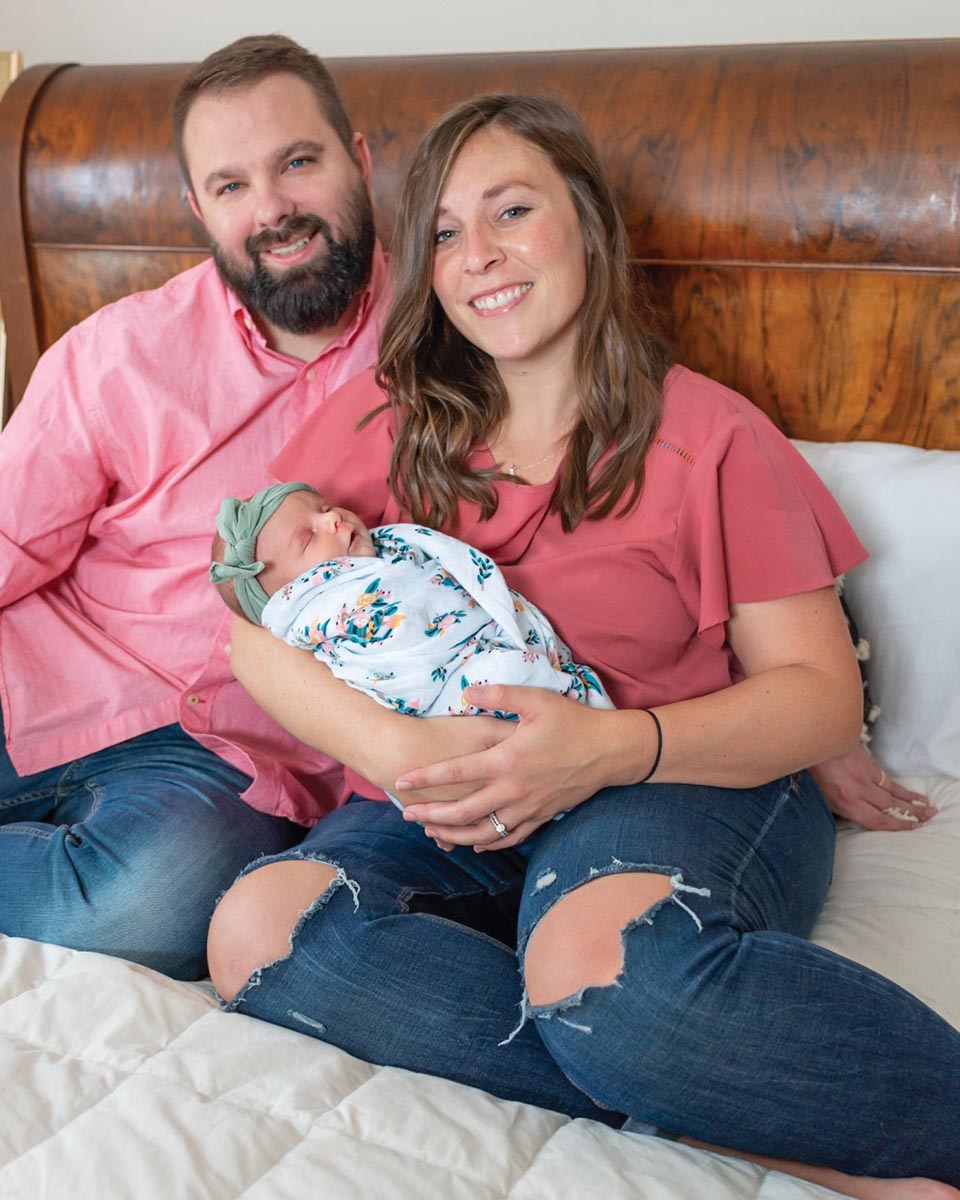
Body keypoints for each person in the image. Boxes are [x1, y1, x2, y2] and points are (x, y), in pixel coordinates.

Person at [208, 94, 960, 1196]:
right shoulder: (389, 419)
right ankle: (715, 1127)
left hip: (684, 766)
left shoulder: (710, 434)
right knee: (258, 928)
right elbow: (247, 623)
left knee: (599, 974)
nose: (482, 257)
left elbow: (818, 701)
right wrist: (391, 753)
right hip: (456, 789)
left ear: (589, 227)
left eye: (513, 210)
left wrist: (607, 750)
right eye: (450, 233)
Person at [0, 34, 391, 978]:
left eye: (299, 161)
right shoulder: (118, 354)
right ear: (198, 210)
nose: (273, 211)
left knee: (150, 905)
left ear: (361, 161)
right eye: (231, 186)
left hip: (231, 766)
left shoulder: (454, 351)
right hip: (38, 679)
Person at [209, 481, 612, 733]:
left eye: (323, 507)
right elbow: (400, 660)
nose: (333, 519)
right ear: (290, 596)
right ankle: (586, 719)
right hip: (448, 700)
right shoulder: (326, 610)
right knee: (505, 677)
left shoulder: (387, 549)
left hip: (484, 650)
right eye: (308, 537)